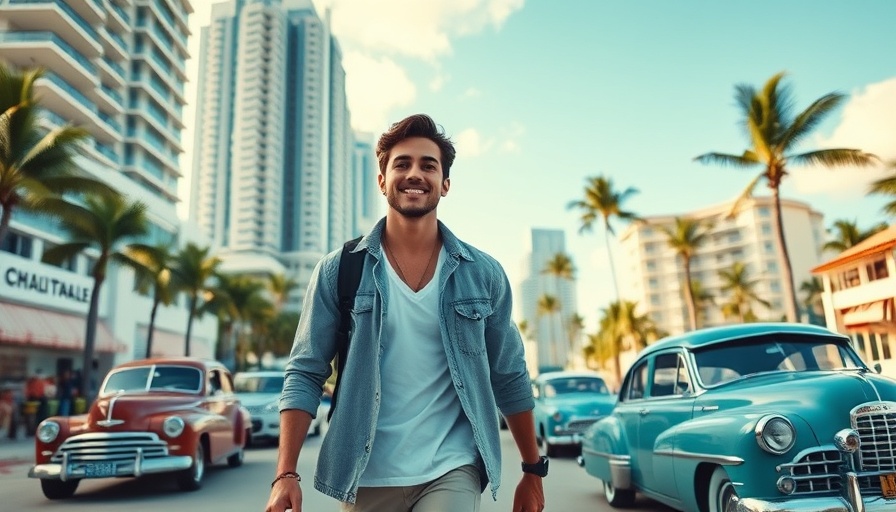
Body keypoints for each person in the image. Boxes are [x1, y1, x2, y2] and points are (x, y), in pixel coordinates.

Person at [266, 114, 546, 512]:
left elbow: (509, 374)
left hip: (452, 467)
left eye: (428, 165)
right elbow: (305, 371)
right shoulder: (338, 270)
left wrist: (533, 471)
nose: (415, 173)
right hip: (365, 474)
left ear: (445, 184)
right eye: (402, 163)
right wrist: (285, 474)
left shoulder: (483, 275)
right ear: (382, 180)